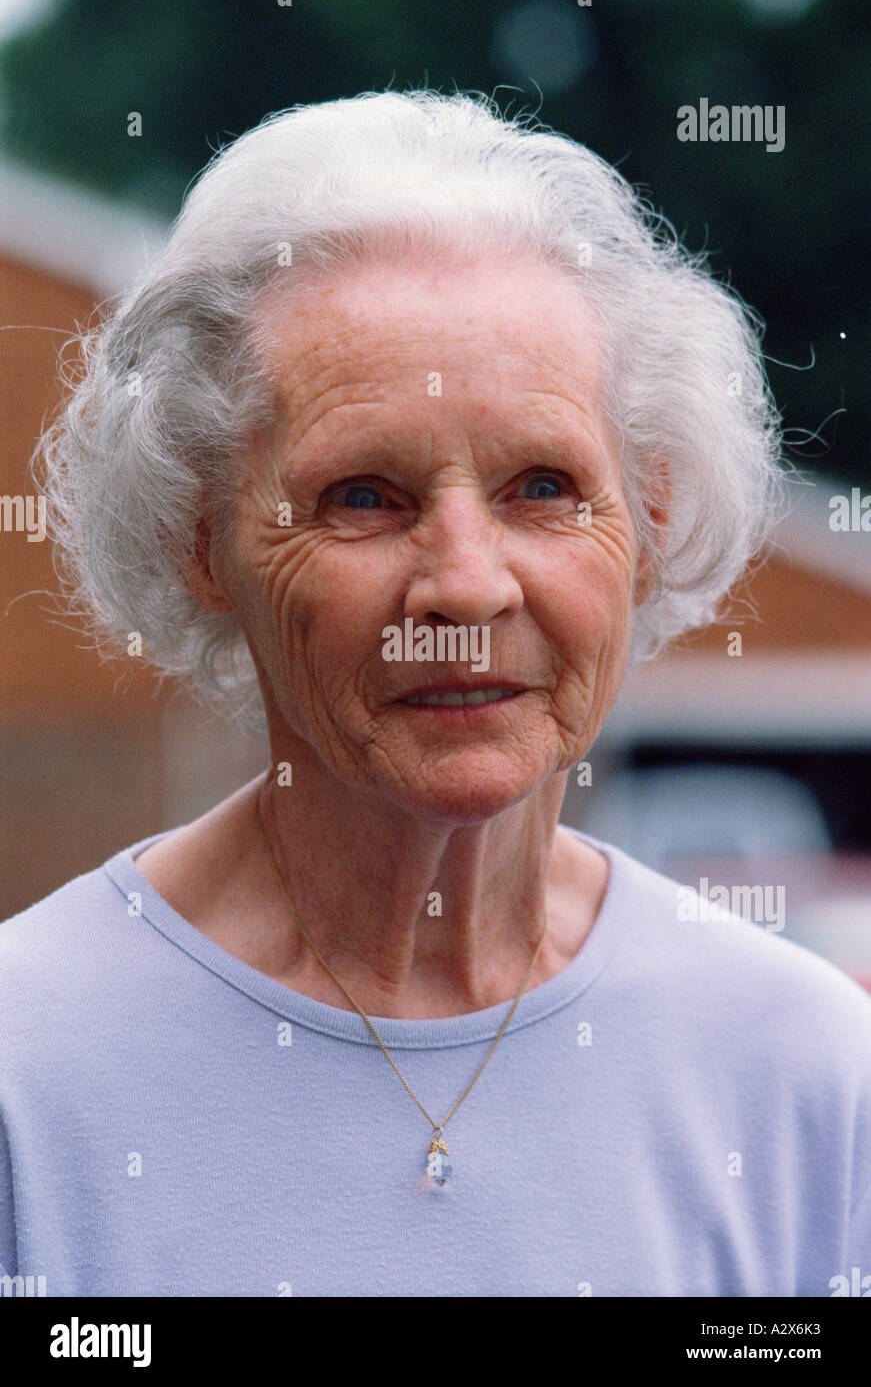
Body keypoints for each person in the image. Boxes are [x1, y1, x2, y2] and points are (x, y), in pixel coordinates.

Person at [2, 89, 869, 1298]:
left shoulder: (803, 1068)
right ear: (202, 546)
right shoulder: (26, 1070)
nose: (466, 585)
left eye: (541, 484)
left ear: (650, 521)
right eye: (364, 495)